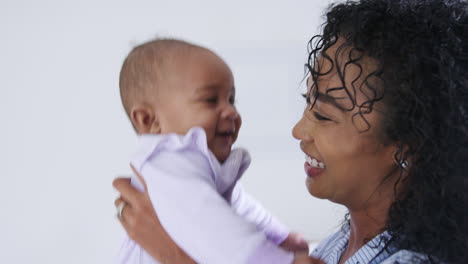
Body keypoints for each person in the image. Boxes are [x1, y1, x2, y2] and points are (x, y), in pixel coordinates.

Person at [113, 0, 468, 263]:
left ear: (406, 145)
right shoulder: (337, 245)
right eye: (307, 103)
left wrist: (176, 255)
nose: (299, 130)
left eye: (325, 116)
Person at [115, 38, 310, 264]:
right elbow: (215, 225)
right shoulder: (169, 163)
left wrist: (280, 236)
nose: (230, 111)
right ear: (149, 120)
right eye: (210, 100)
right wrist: (275, 260)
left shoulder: (195, 167)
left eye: (231, 99)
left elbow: (237, 204)